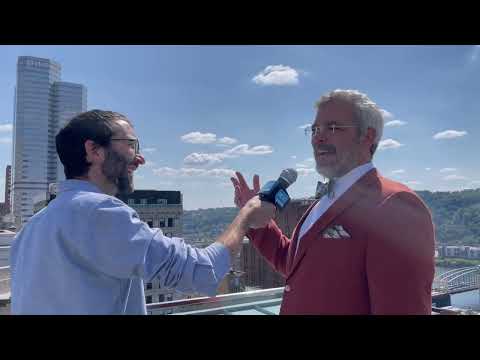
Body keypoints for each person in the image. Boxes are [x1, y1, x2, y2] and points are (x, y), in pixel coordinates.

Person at [10, 109, 275, 314]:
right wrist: (246, 215)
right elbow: (202, 272)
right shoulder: (100, 211)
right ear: (94, 150)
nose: (140, 158)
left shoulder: (31, 228)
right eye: (131, 145)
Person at [231, 89, 435, 315]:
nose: (318, 137)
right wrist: (257, 221)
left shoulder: (395, 205)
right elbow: (293, 264)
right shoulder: (324, 201)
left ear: (367, 136)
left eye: (334, 127)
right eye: (315, 129)